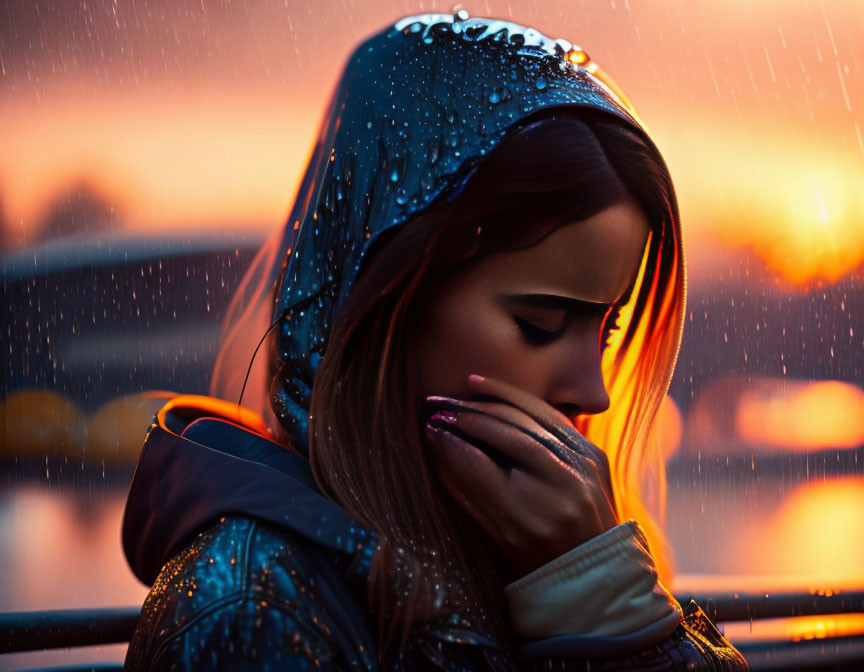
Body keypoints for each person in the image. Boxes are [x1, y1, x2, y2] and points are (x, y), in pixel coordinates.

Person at [122, 11, 748, 670]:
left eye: (607, 329)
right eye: (541, 324)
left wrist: (608, 611)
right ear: (391, 298)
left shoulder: (519, 551)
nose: (594, 391)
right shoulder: (254, 615)